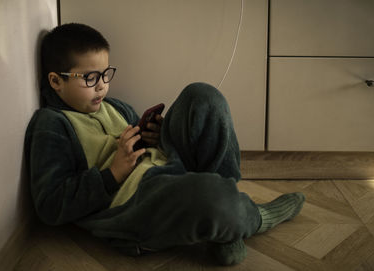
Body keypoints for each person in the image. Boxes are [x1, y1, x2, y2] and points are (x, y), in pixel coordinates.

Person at [25, 23, 305, 266]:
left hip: (168, 168)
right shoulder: (52, 124)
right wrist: (113, 174)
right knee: (206, 193)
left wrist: (155, 138)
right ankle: (249, 218)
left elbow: (146, 149)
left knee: (203, 95)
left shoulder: (116, 107)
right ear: (56, 81)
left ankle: (226, 219)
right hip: (136, 204)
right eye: (90, 78)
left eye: (105, 74)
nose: (101, 86)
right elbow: (50, 205)